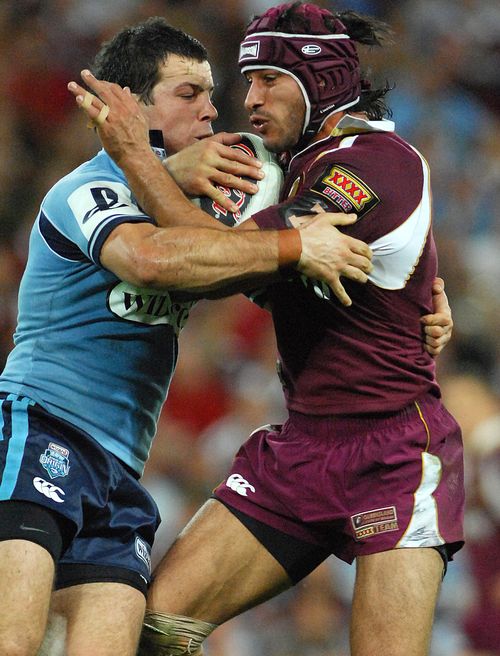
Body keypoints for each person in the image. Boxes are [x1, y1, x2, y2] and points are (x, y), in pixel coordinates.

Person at [73, 4, 462, 656]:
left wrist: (137, 157)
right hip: (302, 448)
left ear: (322, 82)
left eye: (270, 80)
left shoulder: (369, 164)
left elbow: (217, 269)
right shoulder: (299, 167)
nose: (248, 99)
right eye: (247, 80)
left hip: (392, 454)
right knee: (153, 628)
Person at [0, 17, 381, 656]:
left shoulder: (202, 214)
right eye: (187, 94)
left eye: (211, 92)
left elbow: (245, 265)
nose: (211, 109)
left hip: (120, 473)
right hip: (42, 432)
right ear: (129, 105)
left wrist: (426, 292)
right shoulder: (86, 189)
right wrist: (293, 245)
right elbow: (152, 260)